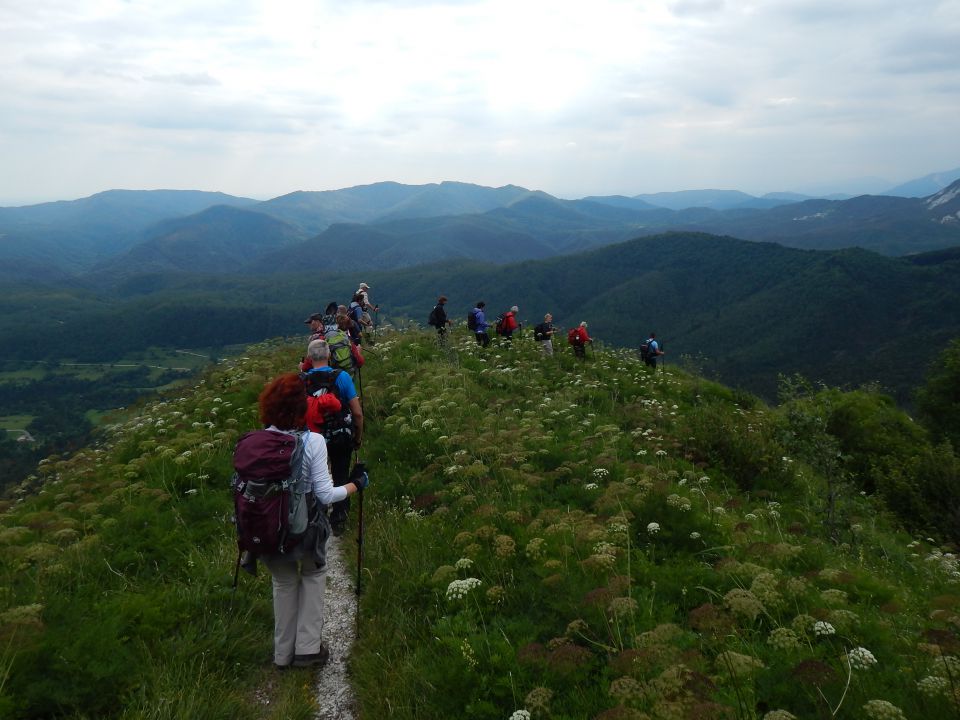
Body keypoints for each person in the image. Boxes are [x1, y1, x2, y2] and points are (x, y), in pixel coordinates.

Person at [253, 373, 369, 669]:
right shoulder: (312, 441)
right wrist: (357, 484)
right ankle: (307, 648)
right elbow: (326, 494)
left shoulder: (256, 442)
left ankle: (282, 654)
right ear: (300, 407)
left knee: (283, 583)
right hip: (304, 528)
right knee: (313, 576)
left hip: (265, 529)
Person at [302, 339, 364, 537]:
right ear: (329, 355)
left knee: (312, 479)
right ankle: (339, 519)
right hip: (340, 437)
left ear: (310, 359)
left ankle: (314, 518)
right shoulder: (342, 377)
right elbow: (357, 414)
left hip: (311, 437)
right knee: (340, 475)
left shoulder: (300, 380)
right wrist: (357, 437)